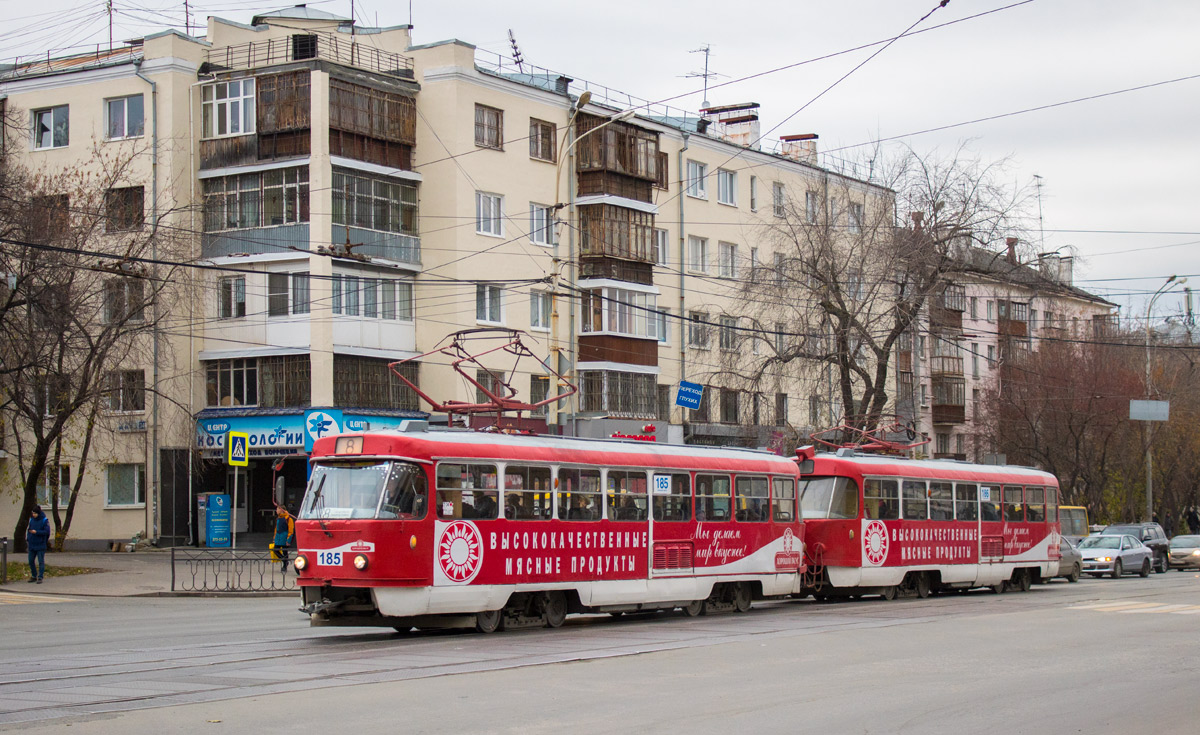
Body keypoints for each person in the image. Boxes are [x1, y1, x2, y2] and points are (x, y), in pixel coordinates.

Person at [26, 505, 51, 584]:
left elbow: (47, 532)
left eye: (35, 513)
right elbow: (29, 529)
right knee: (30, 561)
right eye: (33, 513)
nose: (33, 515)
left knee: (40, 561)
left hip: (40, 544)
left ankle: (40, 577)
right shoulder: (31, 520)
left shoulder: (44, 520)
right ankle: (34, 575)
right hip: (32, 544)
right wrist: (28, 538)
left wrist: (37, 532)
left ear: (38, 513)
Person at [272, 505, 295, 572]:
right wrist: (274, 537)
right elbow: (276, 529)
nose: (276, 510)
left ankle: (284, 566)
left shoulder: (288, 519)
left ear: (281, 510)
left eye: (277, 509)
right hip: (278, 537)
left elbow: (291, 530)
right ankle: (284, 561)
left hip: (284, 537)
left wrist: (288, 540)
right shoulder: (278, 518)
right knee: (275, 549)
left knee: (285, 551)